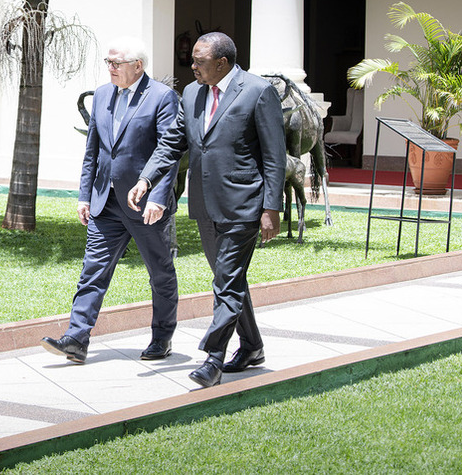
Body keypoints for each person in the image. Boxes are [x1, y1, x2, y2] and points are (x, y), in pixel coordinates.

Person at [128, 31, 285, 388]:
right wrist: (146, 179)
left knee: (225, 282)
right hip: (204, 205)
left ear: (222, 63)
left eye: (199, 61)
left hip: (244, 204)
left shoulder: (258, 92)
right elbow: (173, 142)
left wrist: (270, 208)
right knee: (230, 280)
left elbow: (275, 156)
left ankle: (213, 358)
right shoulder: (193, 93)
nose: (192, 65)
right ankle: (253, 347)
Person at [41, 37, 180, 364]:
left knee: (160, 273)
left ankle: (162, 337)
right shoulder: (102, 95)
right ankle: (76, 338)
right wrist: (84, 195)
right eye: (108, 62)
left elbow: (169, 152)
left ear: (138, 66)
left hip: (145, 205)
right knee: (93, 271)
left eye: (116, 63)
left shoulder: (162, 98)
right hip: (106, 203)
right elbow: (93, 151)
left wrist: (157, 197)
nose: (110, 68)